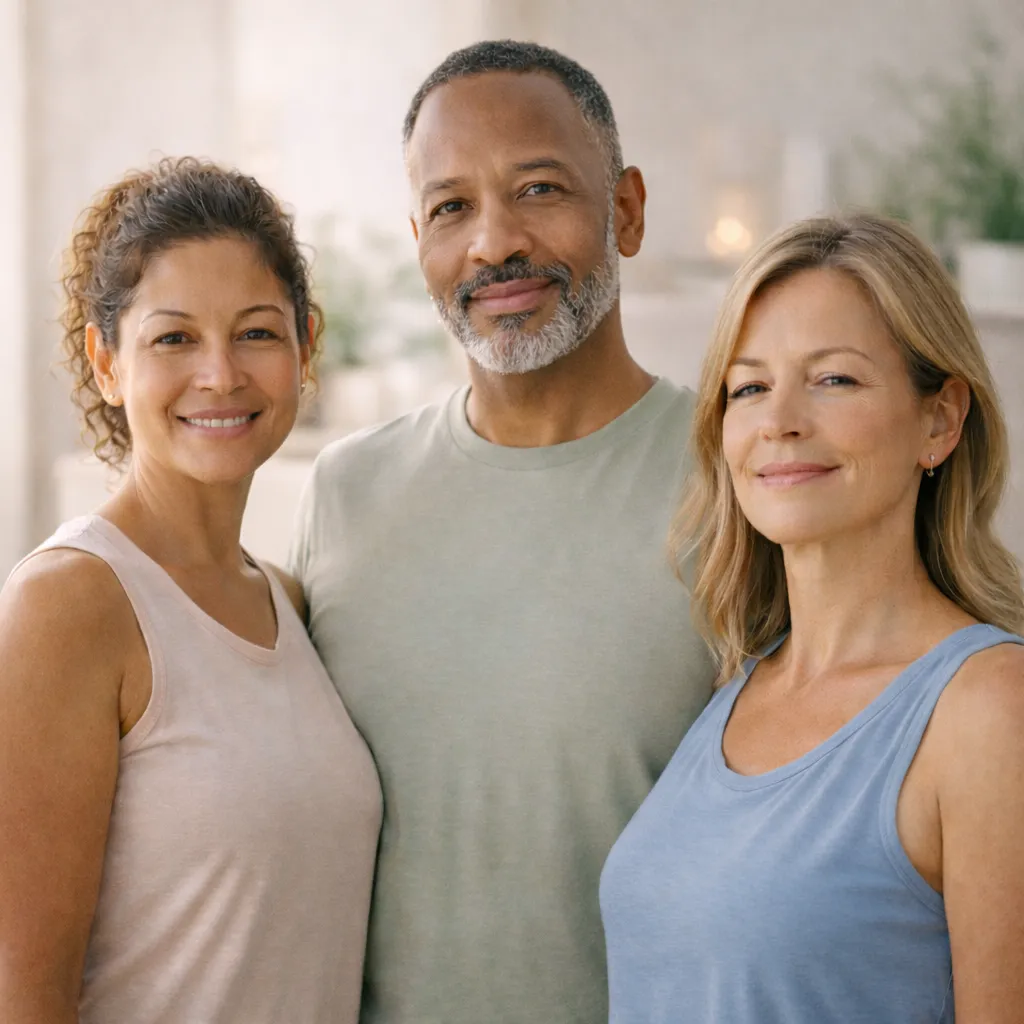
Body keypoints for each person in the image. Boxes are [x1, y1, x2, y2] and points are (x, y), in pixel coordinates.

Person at [289, 40, 715, 1024]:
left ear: (629, 210)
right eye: (450, 209)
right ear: (418, 243)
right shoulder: (345, 491)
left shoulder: (743, 481)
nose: (493, 244)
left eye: (537, 189)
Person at [600, 213, 1024, 1023]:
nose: (780, 420)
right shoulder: (736, 683)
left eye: (834, 379)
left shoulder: (989, 709)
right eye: (749, 387)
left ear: (939, 421)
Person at [0, 157, 382, 1024]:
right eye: (174, 338)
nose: (220, 375)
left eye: (255, 332)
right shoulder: (71, 606)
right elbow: (22, 999)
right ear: (107, 362)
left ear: (305, 346)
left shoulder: (285, 598)